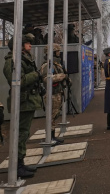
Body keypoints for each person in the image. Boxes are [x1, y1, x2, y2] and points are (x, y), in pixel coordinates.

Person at [3, 34, 43, 178]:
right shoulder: (12, 61)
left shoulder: (24, 59)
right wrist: (36, 74)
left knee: (24, 133)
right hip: (22, 101)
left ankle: (21, 163)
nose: (30, 45)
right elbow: (17, 80)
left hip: (27, 101)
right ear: (19, 46)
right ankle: (17, 166)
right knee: (20, 133)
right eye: (27, 43)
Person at [40, 43, 67, 145]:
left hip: (57, 93)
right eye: (57, 52)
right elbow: (46, 79)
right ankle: (50, 137)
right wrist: (60, 76)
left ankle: (53, 136)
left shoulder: (55, 64)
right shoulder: (47, 65)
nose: (59, 53)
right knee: (51, 116)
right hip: (51, 94)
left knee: (54, 115)